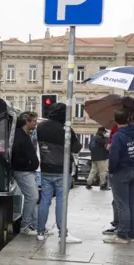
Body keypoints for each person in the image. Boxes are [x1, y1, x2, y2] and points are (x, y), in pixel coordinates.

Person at [36, 102, 82, 243]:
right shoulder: (66, 129)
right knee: (61, 202)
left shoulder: (40, 127)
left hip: (45, 168)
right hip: (62, 169)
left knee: (44, 200)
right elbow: (76, 148)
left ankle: (40, 231)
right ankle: (63, 234)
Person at [105, 109, 134, 236]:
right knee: (131, 202)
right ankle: (130, 230)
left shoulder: (120, 134)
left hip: (123, 171)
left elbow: (114, 155)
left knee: (123, 203)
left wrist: (111, 170)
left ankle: (123, 232)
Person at [11, 111, 40, 236]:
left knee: (32, 198)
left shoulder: (25, 134)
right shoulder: (19, 136)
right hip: (23, 171)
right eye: (34, 121)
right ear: (27, 121)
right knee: (32, 197)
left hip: (28, 171)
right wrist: (28, 163)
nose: (35, 124)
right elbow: (16, 156)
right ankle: (25, 226)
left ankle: (35, 225)